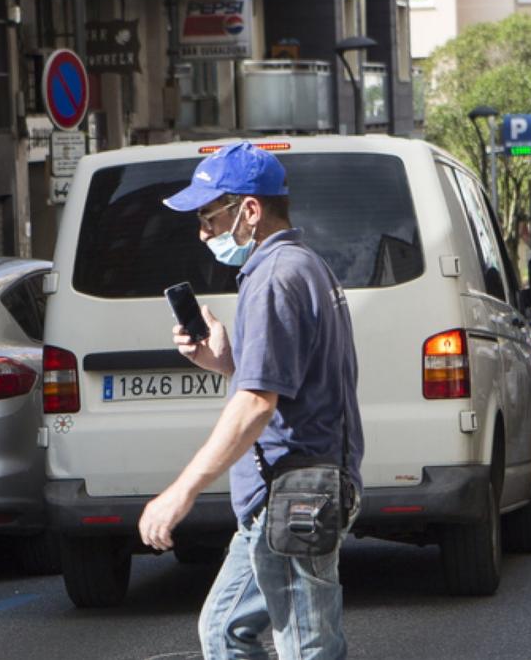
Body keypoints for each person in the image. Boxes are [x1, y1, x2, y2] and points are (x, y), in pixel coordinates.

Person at [137, 141, 364, 660]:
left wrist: (180, 493)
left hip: (296, 496)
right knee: (224, 631)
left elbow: (257, 403)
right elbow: (280, 382)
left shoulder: (275, 278)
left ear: (250, 210)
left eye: (209, 217)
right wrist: (226, 363)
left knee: (306, 648)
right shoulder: (302, 265)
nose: (202, 233)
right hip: (288, 495)